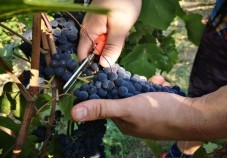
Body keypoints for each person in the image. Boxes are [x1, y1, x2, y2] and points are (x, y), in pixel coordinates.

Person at [71, 0, 227, 157]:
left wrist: (192, 117)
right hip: (222, 24)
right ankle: (179, 152)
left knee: (200, 114)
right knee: (200, 97)